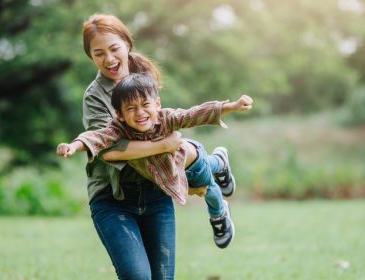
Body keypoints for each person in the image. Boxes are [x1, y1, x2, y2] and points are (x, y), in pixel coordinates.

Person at [62, 13, 236, 279]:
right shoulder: (95, 96)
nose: (108, 59)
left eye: (114, 49)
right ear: (91, 57)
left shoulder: (143, 76)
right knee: (137, 276)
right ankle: (216, 172)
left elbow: (183, 115)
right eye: (99, 53)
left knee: (187, 151)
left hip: (155, 191)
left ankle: (216, 171)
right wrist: (165, 145)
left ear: (127, 44)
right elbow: (110, 150)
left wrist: (226, 107)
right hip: (114, 198)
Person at [57, 73, 253, 249]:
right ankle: (219, 161)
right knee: (209, 171)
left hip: (190, 163)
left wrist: (231, 106)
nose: (140, 113)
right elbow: (97, 137)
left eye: (145, 105)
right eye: (131, 108)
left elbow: (194, 114)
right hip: (171, 171)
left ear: (157, 104)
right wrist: (74, 146)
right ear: (120, 114)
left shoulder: (166, 118)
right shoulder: (119, 130)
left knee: (209, 189)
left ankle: (219, 214)